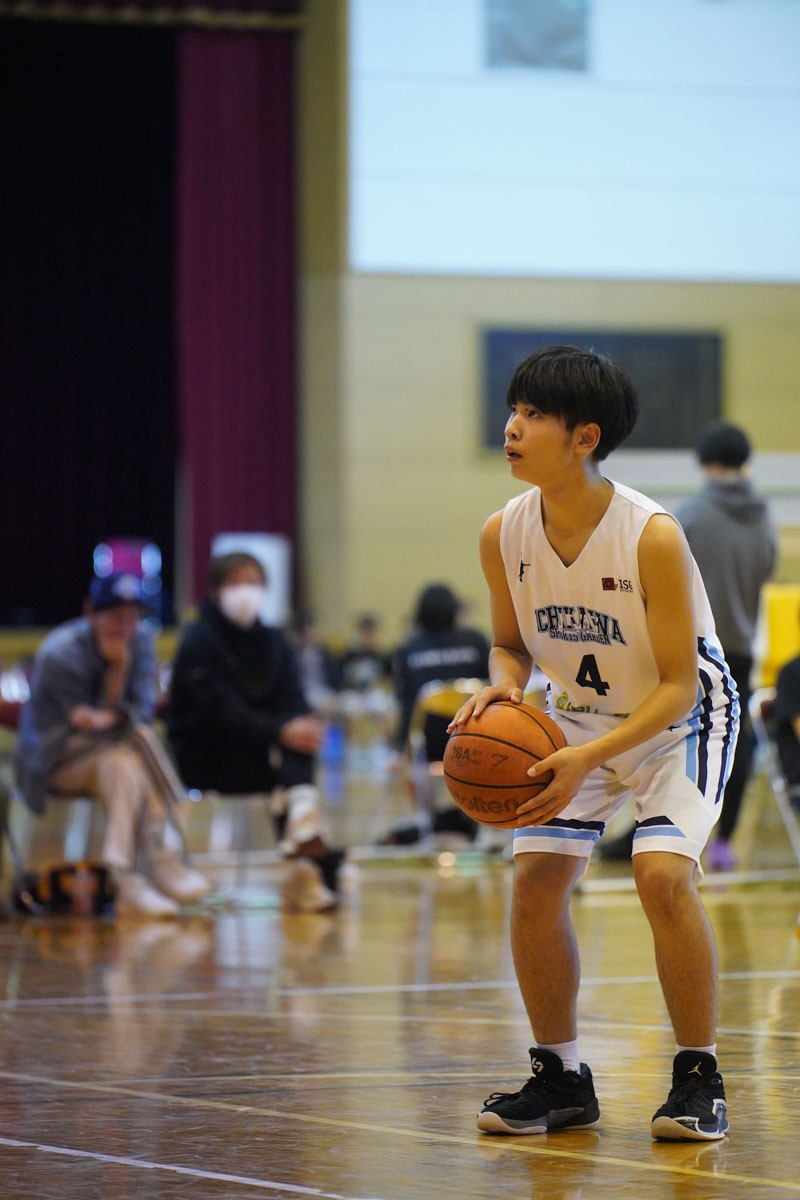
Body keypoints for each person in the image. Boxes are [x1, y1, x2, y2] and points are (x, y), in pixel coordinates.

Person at [449, 345, 738, 1141]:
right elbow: (509, 644)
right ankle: (561, 1077)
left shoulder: (650, 536)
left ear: (585, 437)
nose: (512, 427)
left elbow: (679, 684)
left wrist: (590, 758)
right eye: (513, 410)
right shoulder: (502, 533)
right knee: (537, 880)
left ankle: (699, 1076)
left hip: (679, 720)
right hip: (576, 715)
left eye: (534, 415)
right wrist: (503, 687)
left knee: (660, 876)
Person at [600, 420, 777, 869]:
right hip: (742, 644)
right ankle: (723, 839)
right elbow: (767, 571)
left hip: (692, 644)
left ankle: (652, 831)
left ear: (704, 462)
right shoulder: (765, 519)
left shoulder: (691, 515)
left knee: (667, 734)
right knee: (733, 740)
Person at [15, 572, 211, 918]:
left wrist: (118, 673)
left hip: (112, 753)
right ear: (90, 612)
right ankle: (164, 845)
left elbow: (138, 714)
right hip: (55, 759)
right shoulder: (60, 653)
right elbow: (90, 729)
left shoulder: (141, 642)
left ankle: (127, 878)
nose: (126, 627)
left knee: (123, 764)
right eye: (117, 617)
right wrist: (115, 689)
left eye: (133, 618)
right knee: (137, 742)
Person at [166, 552, 346, 912]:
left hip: (260, 751)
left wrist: (297, 727)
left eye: (254, 582)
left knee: (301, 740)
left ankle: (303, 836)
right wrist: (281, 730)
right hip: (205, 754)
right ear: (216, 590)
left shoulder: (275, 640)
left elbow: (294, 700)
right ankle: (305, 847)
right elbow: (219, 713)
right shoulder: (198, 641)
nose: (246, 591)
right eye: (236, 583)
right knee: (289, 756)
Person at [380, 583, 491, 845]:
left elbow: (407, 705)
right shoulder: (475, 641)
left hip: (429, 747)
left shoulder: (410, 648)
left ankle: (425, 821)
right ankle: (489, 827)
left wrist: (400, 749)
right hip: (478, 741)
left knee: (414, 754)